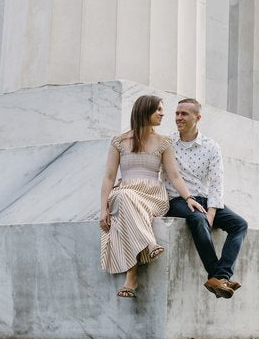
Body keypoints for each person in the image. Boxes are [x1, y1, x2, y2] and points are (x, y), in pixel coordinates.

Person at [100, 95, 205, 298]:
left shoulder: (164, 142)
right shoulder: (119, 141)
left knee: (124, 200)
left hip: (152, 196)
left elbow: (174, 175)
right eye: (158, 109)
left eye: (162, 110)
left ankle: (132, 277)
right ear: (144, 111)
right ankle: (146, 249)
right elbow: (109, 176)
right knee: (123, 197)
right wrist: (103, 209)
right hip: (126, 192)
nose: (163, 114)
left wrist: (189, 197)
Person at [164, 98, 248, 299]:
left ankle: (220, 276)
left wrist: (212, 211)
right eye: (177, 113)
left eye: (184, 114)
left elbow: (217, 181)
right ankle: (217, 276)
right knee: (198, 219)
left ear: (197, 117)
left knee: (240, 224)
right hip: (178, 200)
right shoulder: (168, 143)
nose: (178, 118)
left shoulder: (211, 146)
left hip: (205, 200)